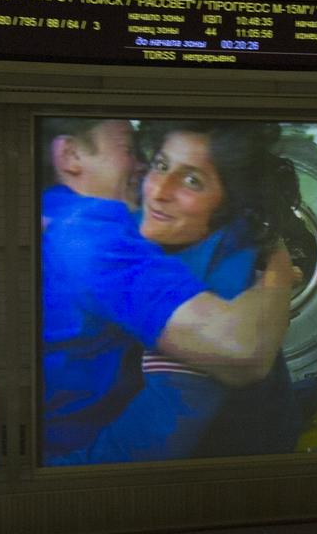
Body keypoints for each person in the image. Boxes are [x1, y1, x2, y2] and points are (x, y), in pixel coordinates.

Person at [39, 118, 296, 463]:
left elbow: (148, 441)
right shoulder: (112, 225)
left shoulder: (223, 277)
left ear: (228, 204)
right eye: (161, 165)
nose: (158, 190)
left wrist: (279, 269)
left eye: (192, 181)